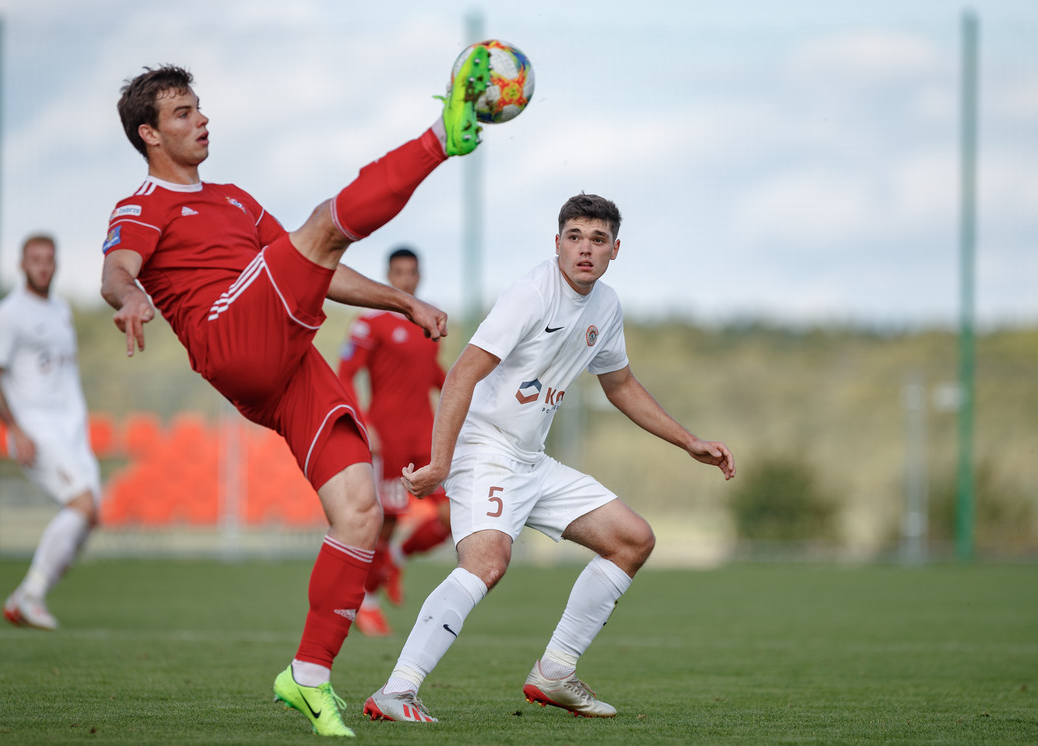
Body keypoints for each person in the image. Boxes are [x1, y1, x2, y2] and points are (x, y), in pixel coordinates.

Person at [100, 47, 500, 738]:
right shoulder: (142, 202)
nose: (201, 120)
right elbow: (117, 268)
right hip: (231, 338)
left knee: (360, 513)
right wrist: (130, 296)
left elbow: (317, 268)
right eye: (182, 112)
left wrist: (400, 304)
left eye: (198, 108)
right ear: (149, 134)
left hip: (284, 362)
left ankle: (308, 677)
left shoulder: (234, 199)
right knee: (320, 226)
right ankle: (443, 137)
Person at [363, 194, 736, 723]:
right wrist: (441, 461)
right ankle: (396, 691)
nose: (585, 249)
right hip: (485, 448)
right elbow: (461, 374)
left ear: (615, 250)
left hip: (530, 460)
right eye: (575, 237)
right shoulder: (531, 294)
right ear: (557, 242)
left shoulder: (605, 307)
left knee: (632, 539)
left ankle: (555, 671)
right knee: (487, 563)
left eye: (597, 239)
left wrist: (688, 440)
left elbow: (621, 384)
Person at [0, 234, 101, 631]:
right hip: (35, 425)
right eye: (35, 260)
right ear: (22, 264)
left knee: (92, 516)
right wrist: (15, 428)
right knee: (82, 505)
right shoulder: (9, 313)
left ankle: (27, 598)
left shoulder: (61, 310)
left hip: (72, 427)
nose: (43, 266)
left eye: (49, 259)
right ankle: (30, 595)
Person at [337, 247, 452, 637]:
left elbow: (434, 374)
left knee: (453, 517)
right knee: (385, 524)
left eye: (412, 272)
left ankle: (396, 561)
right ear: (389, 276)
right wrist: (363, 424)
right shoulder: (370, 323)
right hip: (389, 439)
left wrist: (469, 389)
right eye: (398, 272)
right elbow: (345, 375)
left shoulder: (430, 320)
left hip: (427, 438)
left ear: (420, 276)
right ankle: (366, 602)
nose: (406, 278)